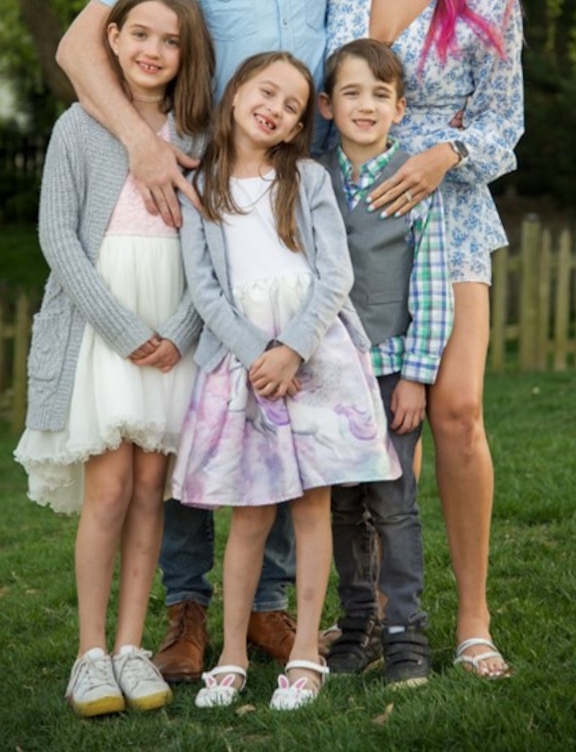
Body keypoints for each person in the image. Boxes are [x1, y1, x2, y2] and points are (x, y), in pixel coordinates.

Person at [55, 0, 331, 680]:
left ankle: (269, 609)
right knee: (191, 404)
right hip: (197, 206)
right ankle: (183, 609)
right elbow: (77, 45)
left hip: (287, 204)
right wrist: (139, 142)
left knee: (276, 391)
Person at [325, 0, 524, 678]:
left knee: (455, 411)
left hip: (450, 220)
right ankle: (365, 618)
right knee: (356, 418)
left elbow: (506, 121)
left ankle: (472, 620)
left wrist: (447, 153)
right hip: (352, 218)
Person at [170, 51, 400, 710]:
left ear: (300, 123)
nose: (275, 108)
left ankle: (305, 654)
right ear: (237, 92)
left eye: (293, 105)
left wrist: (292, 350)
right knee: (248, 514)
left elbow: (334, 275)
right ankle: (233, 653)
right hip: (245, 364)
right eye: (266, 92)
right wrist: (256, 354)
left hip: (313, 353)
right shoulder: (203, 183)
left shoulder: (306, 178)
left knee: (309, 509)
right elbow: (206, 290)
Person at [14, 0, 214, 717]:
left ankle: (134, 649)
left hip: (173, 333)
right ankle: (90, 655)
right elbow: (57, 238)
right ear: (113, 38)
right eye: (141, 35)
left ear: (187, 52)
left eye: (171, 40)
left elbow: (211, 246)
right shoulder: (81, 127)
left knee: (148, 492)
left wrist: (184, 332)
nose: (154, 51)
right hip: (107, 331)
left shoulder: (196, 134)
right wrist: (126, 332)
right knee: (108, 490)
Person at [318, 39, 454, 686]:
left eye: (379, 94)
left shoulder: (412, 183)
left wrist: (418, 379)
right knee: (343, 507)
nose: (365, 105)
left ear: (400, 108)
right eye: (352, 92)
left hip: (391, 370)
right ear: (326, 105)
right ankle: (356, 627)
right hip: (328, 379)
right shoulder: (311, 180)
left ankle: (406, 635)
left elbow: (430, 288)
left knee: (395, 506)